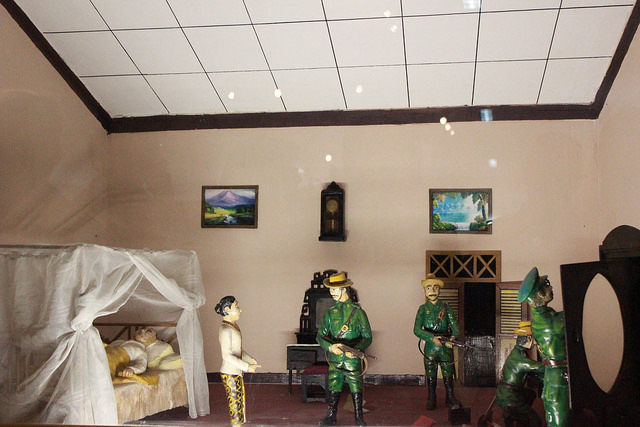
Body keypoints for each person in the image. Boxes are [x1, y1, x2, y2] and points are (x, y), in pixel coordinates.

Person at [316, 271, 372, 426]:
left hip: (351, 359)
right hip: (335, 358)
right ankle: (331, 416)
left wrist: (357, 350)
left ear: (343, 289)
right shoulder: (330, 313)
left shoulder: (358, 313)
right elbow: (320, 336)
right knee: (334, 385)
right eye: (331, 290)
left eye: (334, 289)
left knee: (356, 387)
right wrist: (330, 347)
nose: (331, 293)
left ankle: (359, 418)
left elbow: (367, 337)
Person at [518, 267, 569, 427]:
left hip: (553, 376)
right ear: (540, 294)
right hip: (557, 378)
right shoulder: (548, 321)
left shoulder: (545, 317)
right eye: (547, 285)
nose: (551, 288)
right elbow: (571, 317)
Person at [413, 273, 462, 410]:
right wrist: (431, 338)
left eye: (435, 287)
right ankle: (431, 397)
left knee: (448, 371)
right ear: (424, 290)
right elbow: (416, 330)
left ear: (439, 290)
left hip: (445, 346)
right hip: (430, 347)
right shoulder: (422, 309)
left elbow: (455, 327)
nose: (432, 290)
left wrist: (452, 339)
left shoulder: (446, 307)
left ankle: (450, 397)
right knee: (430, 372)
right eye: (428, 287)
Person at [215, 296, 261, 427]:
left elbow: (238, 349)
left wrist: (249, 359)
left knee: (238, 400)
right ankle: (236, 424)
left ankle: (239, 423)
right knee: (235, 403)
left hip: (236, 371)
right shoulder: (225, 330)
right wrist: (247, 366)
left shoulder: (232, 326)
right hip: (230, 372)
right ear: (227, 310)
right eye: (237, 306)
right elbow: (227, 356)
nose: (240, 310)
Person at [496, 321, 545, 427]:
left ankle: (517, 416)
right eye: (533, 339)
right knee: (535, 419)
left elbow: (529, 372)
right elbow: (538, 367)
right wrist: (552, 365)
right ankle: (518, 414)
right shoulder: (519, 358)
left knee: (530, 394)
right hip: (509, 395)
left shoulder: (518, 352)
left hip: (507, 391)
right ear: (528, 339)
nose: (534, 342)